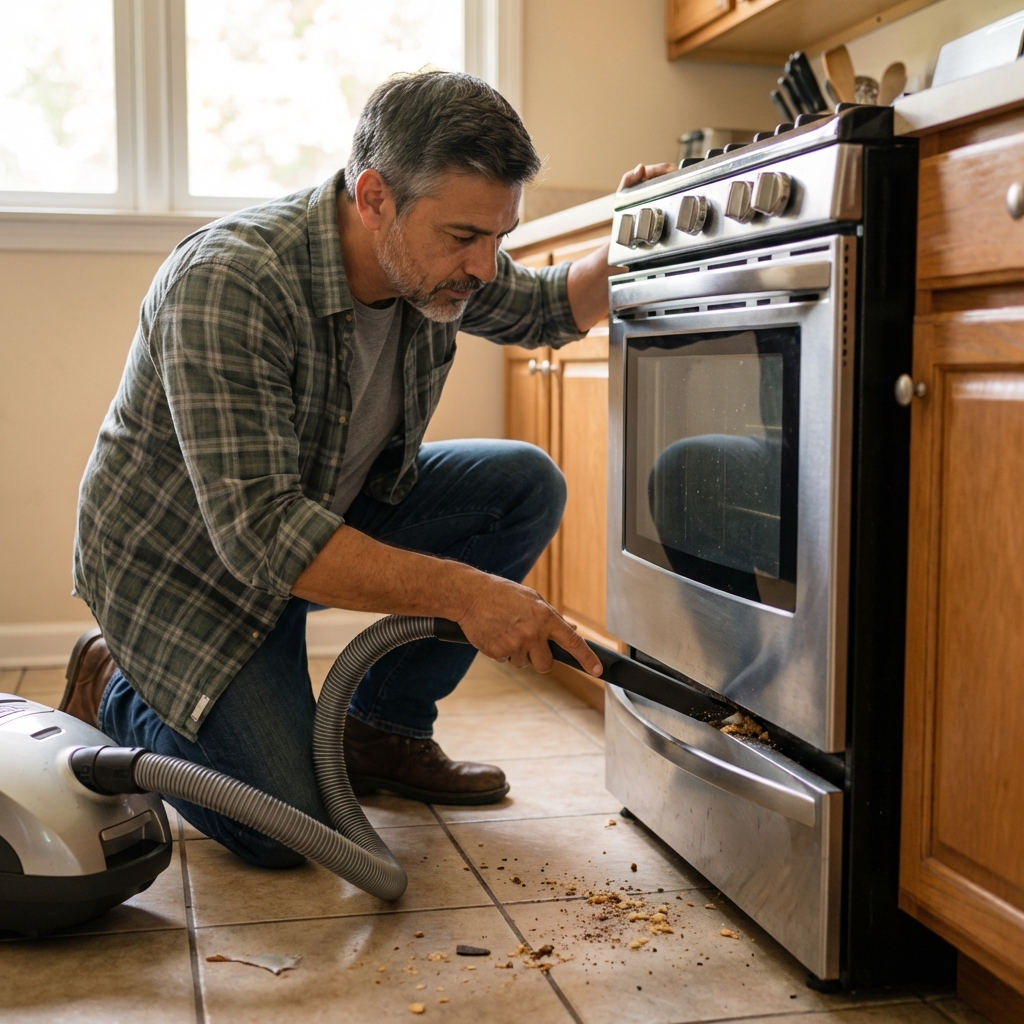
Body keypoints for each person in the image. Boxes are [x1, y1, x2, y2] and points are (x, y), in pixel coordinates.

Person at [63, 69, 674, 868]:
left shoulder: (435, 268)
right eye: (465, 237)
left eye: (500, 236)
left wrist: (640, 234)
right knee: (280, 828)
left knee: (521, 484)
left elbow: (548, 307)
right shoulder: (231, 281)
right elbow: (261, 538)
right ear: (375, 197)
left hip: (314, 513)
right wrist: (468, 593)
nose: (486, 266)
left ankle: (381, 732)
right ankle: (111, 680)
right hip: (188, 570)